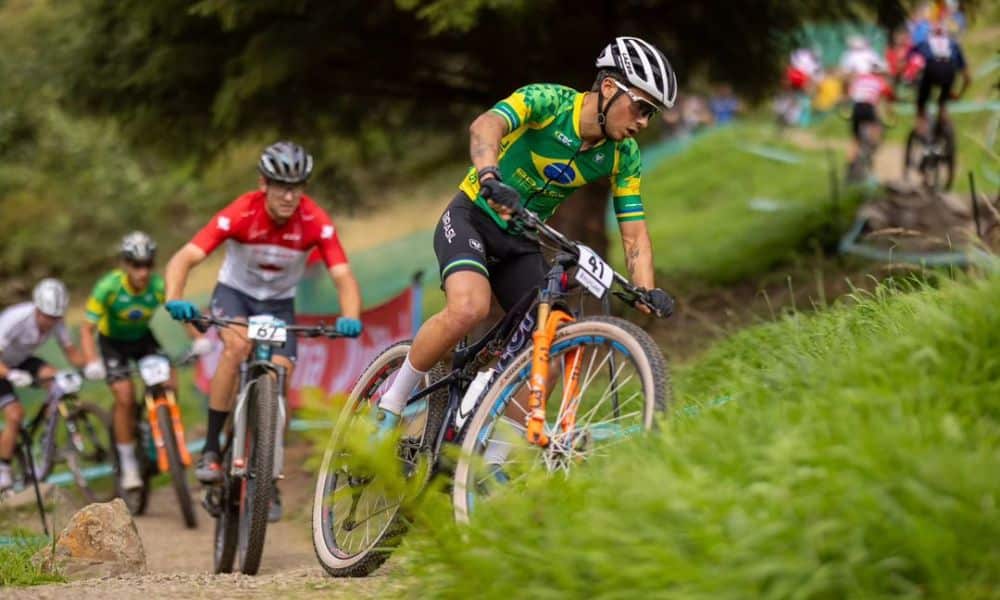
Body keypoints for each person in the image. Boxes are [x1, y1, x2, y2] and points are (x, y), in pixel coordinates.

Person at [370, 36, 675, 440]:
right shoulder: (550, 102)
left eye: (651, 113)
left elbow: (634, 231)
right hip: (473, 216)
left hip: (521, 239)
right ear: (608, 87)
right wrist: (490, 175)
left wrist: (645, 289)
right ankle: (392, 401)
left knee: (549, 347)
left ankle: (488, 463)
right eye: (642, 107)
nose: (643, 122)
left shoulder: (624, 154)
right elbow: (486, 125)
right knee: (469, 308)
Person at [162, 141, 362, 522]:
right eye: (279, 186)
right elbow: (186, 257)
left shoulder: (315, 220)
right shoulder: (242, 212)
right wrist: (175, 297)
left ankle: (268, 476)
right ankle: (210, 451)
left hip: (278, 305)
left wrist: (350, 314)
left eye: (297, 186)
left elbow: (343, 275)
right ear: (263, 184)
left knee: (281, 375)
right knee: (236, 347)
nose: (289, 196)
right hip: (235, 296)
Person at [79, 232, 213, 491]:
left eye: (148, 264)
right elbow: (86, 329)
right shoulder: (108, 287)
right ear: (125, 264)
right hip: (112, 344)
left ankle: (164, 432)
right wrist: (92, 361)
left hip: (143, 340)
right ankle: (129, 464)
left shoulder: (158, 286)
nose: (142, 271)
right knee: (125, 397)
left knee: (170, 382)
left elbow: (180, 312)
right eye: (136, 264)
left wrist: (197, 339)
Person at [0, 279, 93, 491]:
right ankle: (3, 469)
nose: (52, 322)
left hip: (20, 360)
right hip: (3, 365)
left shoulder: (57, 321)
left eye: (56, 317)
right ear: (37, 308)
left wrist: (91, 366)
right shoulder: (15, 320)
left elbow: (71, 352)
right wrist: (12, 374)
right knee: (15, 414)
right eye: (48, 317)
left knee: (56, 378)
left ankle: (46, 435)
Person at [908, 23, 971, 139]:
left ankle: (921, 132)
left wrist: (911, 80)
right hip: (949, 70)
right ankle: (947, 128)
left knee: (921, 102)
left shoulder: (924, 43)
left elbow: (909, 62)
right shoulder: (953, 44)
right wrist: (959, 94)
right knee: (942, 105)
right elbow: (967, 77)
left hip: (931, 68)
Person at [845, 65, 895, 180]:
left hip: (856, 108)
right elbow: (888, 99)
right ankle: (871, 151)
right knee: (876, 129)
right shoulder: (880, 81)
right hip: (868, 108)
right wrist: (890, 115)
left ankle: (849, 171)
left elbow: (850, 94)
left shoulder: (860, 79)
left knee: (855, 140)